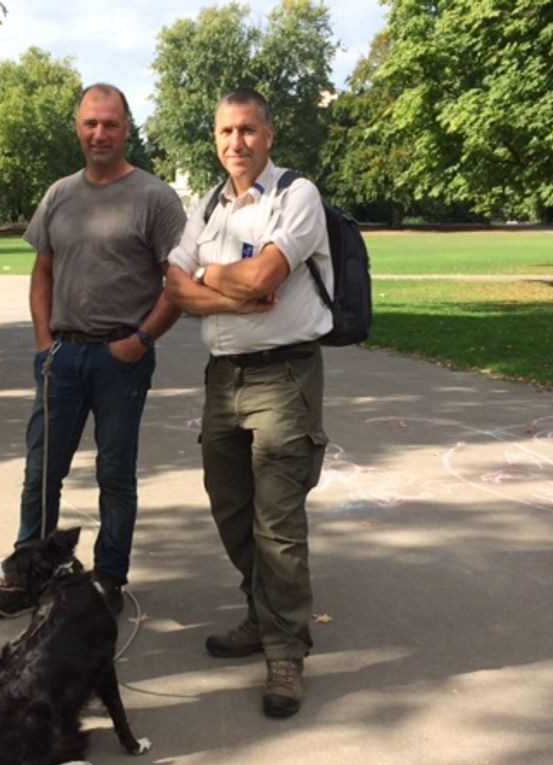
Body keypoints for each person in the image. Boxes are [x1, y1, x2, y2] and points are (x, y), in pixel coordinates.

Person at [0, 83, 186, 620]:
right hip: (62, 358)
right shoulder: (60, 194)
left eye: (111, 123)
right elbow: (42, 271)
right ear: (78, 127)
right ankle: (25, 579)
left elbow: (179, 283)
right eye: (91, 123)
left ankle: (108, 578)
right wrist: (44, 343)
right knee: (42, 471)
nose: (100, 133)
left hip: (121, 360)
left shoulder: (155, 199)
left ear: (127, 128)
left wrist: (140, 342)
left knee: (115, 474)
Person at [163, 87, 332, 718]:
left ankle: (285, 649)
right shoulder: (206, 207)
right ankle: (264, 615)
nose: (237, 143)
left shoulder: (297, 196)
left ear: (270, 134)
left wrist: (210, 279)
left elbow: (268, 277)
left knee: (278, 525)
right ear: (215, 139)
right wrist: (227, 289)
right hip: (222, 379)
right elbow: (174, 288)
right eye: (226, 132)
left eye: (249, 131)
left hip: (284, 378)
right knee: (230, 506)